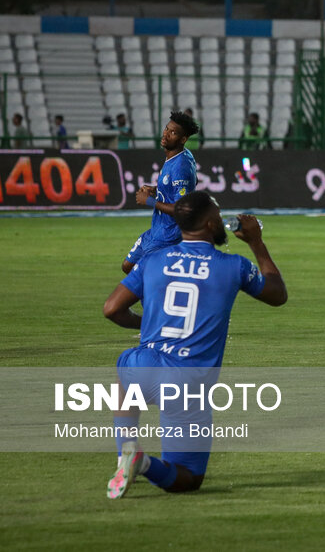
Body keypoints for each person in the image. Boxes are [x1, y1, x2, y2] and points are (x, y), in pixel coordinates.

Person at [102, 191, 287, 498]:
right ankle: (142, 463)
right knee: (188, 478)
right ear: (211, 224)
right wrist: (256, 242)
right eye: (218, 215)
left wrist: (148, 326)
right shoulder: (233, 266)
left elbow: (111, 309)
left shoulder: (153, 260)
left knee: (126, 373)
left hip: (145, 364)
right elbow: (278, 294)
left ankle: (126, 450)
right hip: (186, 382)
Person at [122, 111, 200, 274]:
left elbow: (181, 210)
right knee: (127, 266)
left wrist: (148, 201)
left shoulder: (181, 166)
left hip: (168, 236)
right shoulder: (180, 155)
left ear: (183, 139)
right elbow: (191, 183)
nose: (166, 134)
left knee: (143, 276)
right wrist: (156, 189)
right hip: (156, 230)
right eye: (166, 129)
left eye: (173, 133)